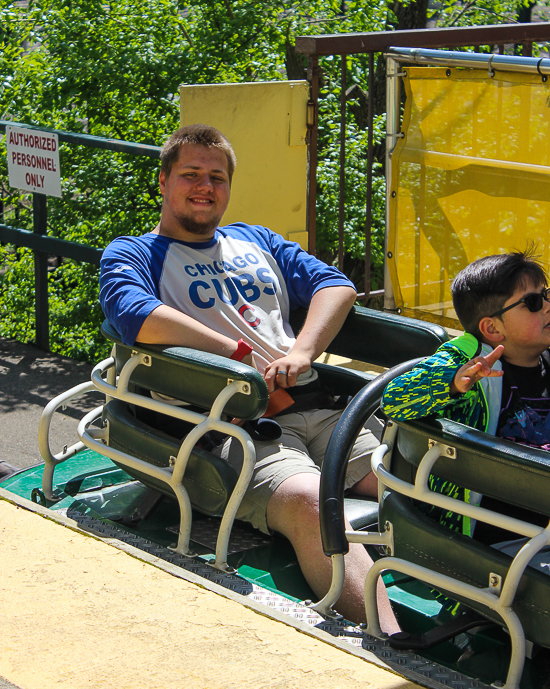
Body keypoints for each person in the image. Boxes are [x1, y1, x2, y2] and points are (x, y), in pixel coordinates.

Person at [99, 124, 398, 631]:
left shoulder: (255, 240)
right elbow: (137, 315)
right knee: (309, 501)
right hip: (232, 425)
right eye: (190, 174)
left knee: (407, 488)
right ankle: (391, 642)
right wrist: (238, 358)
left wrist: (302, 352)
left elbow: (335, 285)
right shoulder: (134, 254)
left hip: (316, 408)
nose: (205, 186)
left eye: (217, 176)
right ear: (164, 180)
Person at [382, 248, 550, 537]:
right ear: (492, 328)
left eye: (547, 294)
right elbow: (394, 400)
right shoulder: (469, 365)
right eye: (533, 302)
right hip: (493, 533)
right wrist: (452, 382)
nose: (547, 306)